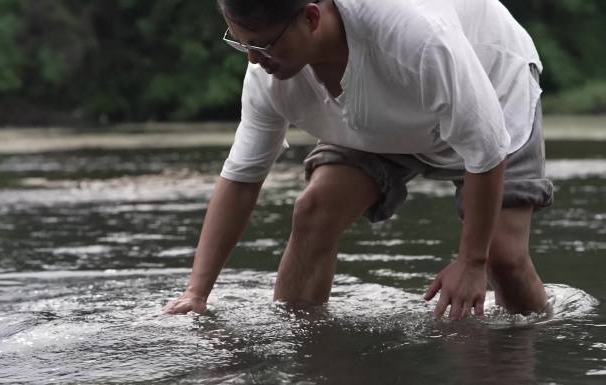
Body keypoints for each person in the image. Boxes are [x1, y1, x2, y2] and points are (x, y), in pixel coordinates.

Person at [163, 0, 553, 319]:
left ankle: (543, 332)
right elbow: (242, 179)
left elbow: (485, 148)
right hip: (377, 116)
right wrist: (197, 293)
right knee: (314, 210)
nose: (252, 59)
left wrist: (471, 262)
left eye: (263, 45)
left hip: (490, 89)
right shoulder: (270, 76)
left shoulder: (417, 38)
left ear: (311, 17)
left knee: (503, 260)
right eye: (241, 43)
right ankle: (308, 356)